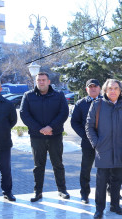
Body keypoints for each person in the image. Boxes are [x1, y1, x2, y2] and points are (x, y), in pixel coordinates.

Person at [86, 79, 122, 219]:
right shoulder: (97, 104)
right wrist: (96, 144)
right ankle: (99, 209)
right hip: (103, 150)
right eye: (110, 88)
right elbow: (89, 126)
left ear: (120, 91)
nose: (113, 91)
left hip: (121, 150)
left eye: (116, 88)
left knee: (117, 179)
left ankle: (115, 205)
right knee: (101, 181)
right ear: (105, 91)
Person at [20, 72, 70, 202]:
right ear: (35, 82)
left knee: (58, 164)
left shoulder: (58, 95)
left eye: (43, 80)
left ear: (49, 82)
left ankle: (62, 190)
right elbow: (24, 114)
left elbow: (64, 113)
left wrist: (50, 127)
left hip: (55, 136)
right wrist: (40, 129)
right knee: (38, 166)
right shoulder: (28, 96)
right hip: (37, 137)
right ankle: (38, 192)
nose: (41, 82)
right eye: (38, 80)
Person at [71, 79, 101, 204]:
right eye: (90, 87)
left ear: (100, 88)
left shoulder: (105, 102)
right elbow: (74, 122)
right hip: (88, 142)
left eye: (95, 86)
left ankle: (109, 191)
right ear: (86, 89)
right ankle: (84, 194)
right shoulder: (81, 103)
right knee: (86, 169)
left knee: (106, 169)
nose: (93, 89)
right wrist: (85, 135)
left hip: (103, 142)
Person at [0, 79, 17, 202]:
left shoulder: (8, 104)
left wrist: (2, 129)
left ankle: (7, 192)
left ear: (1, 88)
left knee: (6, 170)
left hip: (4, 144)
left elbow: (13, 121)